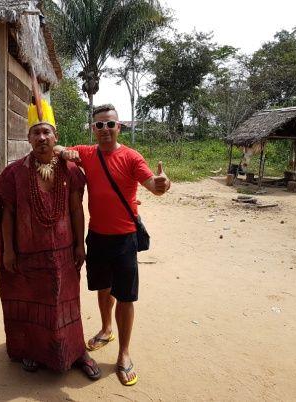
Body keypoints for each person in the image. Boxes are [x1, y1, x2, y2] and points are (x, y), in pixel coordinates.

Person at [0, 98, 100, 380]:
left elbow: (75, 209)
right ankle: (32, 349)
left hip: (63, 252)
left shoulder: (70, 170)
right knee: (32, 300)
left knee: (67, 300)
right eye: (36, 132)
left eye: (47, 132)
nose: (42, 137)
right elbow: (6, 212)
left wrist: (79, 244)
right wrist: (9, 250)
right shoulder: (15, 171)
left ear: (56, 136)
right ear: (28, 138)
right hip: (28, 252)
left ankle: (76, 350)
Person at [54, 104, 171, 386]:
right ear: (93, 130)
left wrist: (161, 184)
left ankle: (124, 354)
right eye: (99, 125)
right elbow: (56, 146)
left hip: (125, 238)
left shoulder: (131, 157)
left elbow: (152, 185)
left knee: (126, 296)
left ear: (119, 127)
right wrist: (64, 152)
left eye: (110, 125)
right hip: (97, 236)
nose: (105, 130)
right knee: (103, 288)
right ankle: (106, 329)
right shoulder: (87, 153)